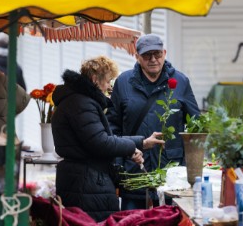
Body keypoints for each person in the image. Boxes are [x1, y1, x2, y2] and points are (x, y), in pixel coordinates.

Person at [51, 55, 165, 222]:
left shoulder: (78, 100)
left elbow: (102, 138)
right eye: (107, 81)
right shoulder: (82, 103)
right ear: (95, 79)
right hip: (87, 184)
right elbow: (100, 142)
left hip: (83, 181)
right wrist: (131, 148)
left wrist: (142, 142)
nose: (108, 87)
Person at [108, 34, 200, 210]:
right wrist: (122, 159)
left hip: (171, 176)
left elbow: (196, 125)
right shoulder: (123, 82)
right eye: (147, 55)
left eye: (157, 54)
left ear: (164, 53)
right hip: (134, 171)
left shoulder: (181, 81)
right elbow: (113, 128)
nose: (153, 60)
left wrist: (189, 168)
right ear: (137, 57)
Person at [0, 50, 30, 194]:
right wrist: (8, 115)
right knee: (0, 193)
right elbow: (24, 100)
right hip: (2, 144)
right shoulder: (1, 79)